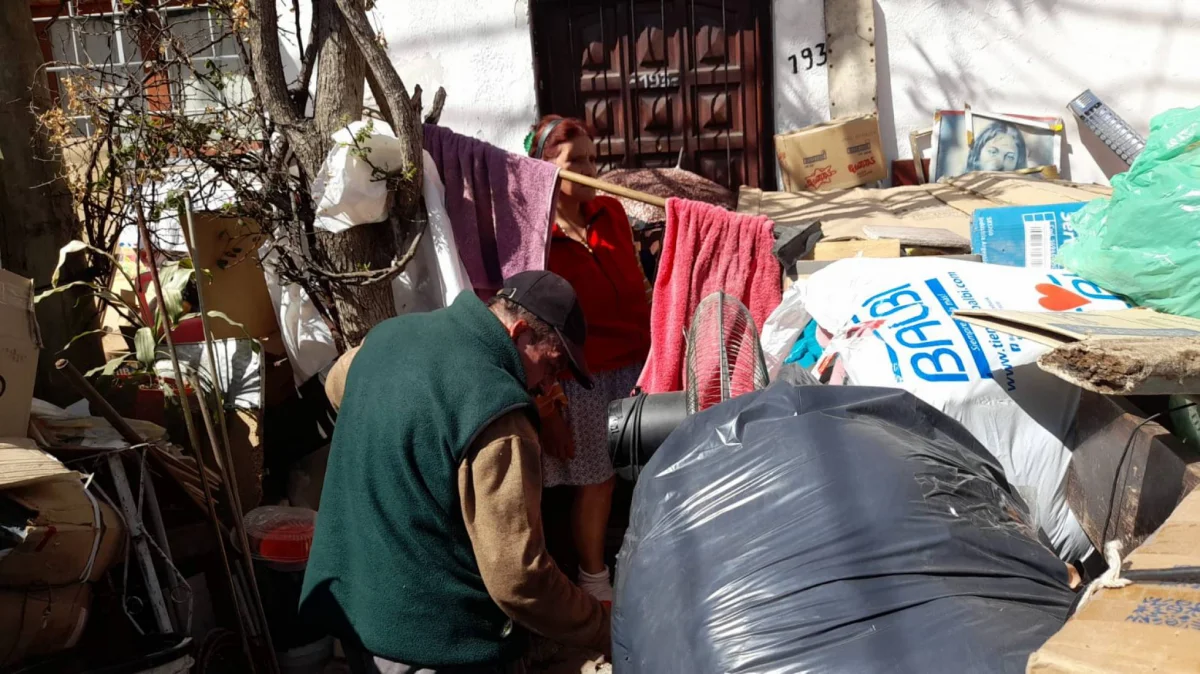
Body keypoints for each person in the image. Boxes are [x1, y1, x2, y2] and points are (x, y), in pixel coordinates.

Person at [299, 271, 612, 674]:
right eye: (552, 366)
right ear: (519, 333)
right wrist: (602, 627)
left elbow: (337, 387)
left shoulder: (387, 337)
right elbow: (518, 579)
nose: (549, 383)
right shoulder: (499, 412)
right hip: (432, 641)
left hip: (352, 605)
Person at [526, 116, 652, 602]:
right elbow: (533, 328)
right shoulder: (536, 238)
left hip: (637, 364)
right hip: (582, 378)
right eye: (576, 160)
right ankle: (595, 582)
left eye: (593, 159)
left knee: (646, 472)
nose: (590, 169)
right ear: (545, 169)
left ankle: (649, 562)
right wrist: (548, 406)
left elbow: (637, 282)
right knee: (597, 482)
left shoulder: (610, 212)